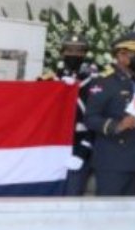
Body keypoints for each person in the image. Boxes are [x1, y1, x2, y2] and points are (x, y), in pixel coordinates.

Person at [83, 31, 135, 196]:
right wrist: (118, 125)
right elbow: (91, 118)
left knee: (128, 215)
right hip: (112, 160)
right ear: (121, 55)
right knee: (108, 213)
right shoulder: (103, 81)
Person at [39, 33, 98, 196]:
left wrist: (84, 150)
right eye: (70, 50)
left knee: (72, 195)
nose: (74, 54)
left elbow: (97, 118)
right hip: (53, 146)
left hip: (79, 145)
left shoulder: (95, 82)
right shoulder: (50, 80)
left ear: (85, 54)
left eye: (79, 51)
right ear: (62, 53)